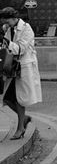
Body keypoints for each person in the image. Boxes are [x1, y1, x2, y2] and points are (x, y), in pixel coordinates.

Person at [0, 7, 42, 140]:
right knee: (7, 98)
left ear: (14, 18)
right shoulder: (9, 29)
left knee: (19, 99)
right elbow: (6, 49)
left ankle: (20, 128)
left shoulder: (26, 29)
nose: (6, 23)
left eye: (7, 20)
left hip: (23, 67)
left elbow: (21, 49)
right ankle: (24, 119)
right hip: (12, 68)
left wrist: (6, 42)